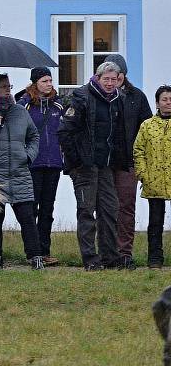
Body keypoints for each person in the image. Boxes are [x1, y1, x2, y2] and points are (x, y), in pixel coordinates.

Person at [57, 61, 124, 270]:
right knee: (87, 212)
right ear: (97, 77)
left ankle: (110, 257)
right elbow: (64, 132)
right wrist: (77, 162)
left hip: (105, 165)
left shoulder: (116, 99)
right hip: (84, 166)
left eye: (114, 79)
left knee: (110, 210)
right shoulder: (81, 97)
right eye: (107, 79)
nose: (111, 83)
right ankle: (90, 259)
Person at [0, 74, 43, 270]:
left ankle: (35, 257)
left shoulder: (20, 112)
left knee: (27, 218)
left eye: (9, 86)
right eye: (3, 86)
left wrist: (28, 156)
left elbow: (34, 136)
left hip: (20, 172)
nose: (8, 89)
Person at [104, 53, 152, 269]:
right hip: (104, 162)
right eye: (111, 74)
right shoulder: (98, 95)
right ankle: (107, 253)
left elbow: (147, 131)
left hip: (128, 162)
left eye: (119, 74)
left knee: (125, 208)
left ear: (123, 75)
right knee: (105, 208)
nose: (115, 78)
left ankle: (125, 252)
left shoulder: (137, 97)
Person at [17, 67, 65, 265]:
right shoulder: (24, 104)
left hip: (53, 162)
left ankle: (45, 251)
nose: (49, 84)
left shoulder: (58, 105)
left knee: (48, 209)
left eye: (50, 80)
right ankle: (33, 252)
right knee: (31, 209)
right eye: (44, 81)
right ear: (35, 82)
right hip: (33, 164)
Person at [134, 85, 171, 269]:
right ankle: (155, 258)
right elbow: (138, 150)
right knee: (155, 222)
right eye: (164, 99)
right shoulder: (147, 125)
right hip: (154, 181)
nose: (168, 103)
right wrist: (143, 174)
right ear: (157, 103)